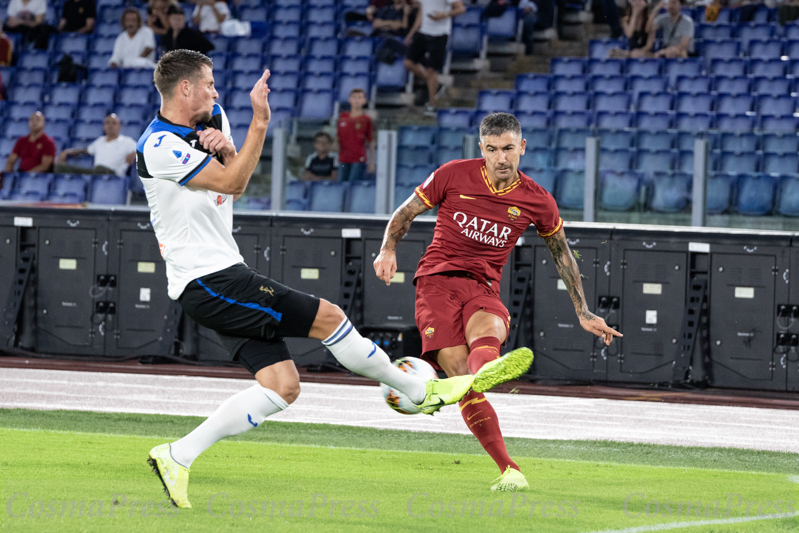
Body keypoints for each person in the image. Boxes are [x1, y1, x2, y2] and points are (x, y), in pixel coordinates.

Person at [141, 50, 519, 509]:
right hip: (208, 279)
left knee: (283, 386)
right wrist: (260, 121)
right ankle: (419, 389)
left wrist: (230, 147)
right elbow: (235, 184)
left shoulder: (213, 116)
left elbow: (233, 167)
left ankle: (176, 456)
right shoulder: (157, 146)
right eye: (208, 84)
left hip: (217, 274)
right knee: (330, 318)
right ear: (184, 89)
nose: (216, 93)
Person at [374, 112, 622, 492]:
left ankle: (484, 369)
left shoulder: (537, 200)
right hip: (436, 283)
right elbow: (405, 212)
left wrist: (583, 310)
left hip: (483, 286)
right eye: (492, 149)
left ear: (522, 147)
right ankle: (510, 468)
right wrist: (387, 249)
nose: (501, 157)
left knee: (488, 331)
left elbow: (562, 253)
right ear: (481, 149)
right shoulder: (452, 174)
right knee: (464, 380)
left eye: (508, 148)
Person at [403, 0, 465, 116]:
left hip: (439, 34)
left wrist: (444, 15)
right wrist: (411, 33)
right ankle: (433, 82)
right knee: (408, 63)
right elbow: (421, 13)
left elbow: (461, 8)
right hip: (423, 31)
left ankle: (432, 104)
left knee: (431, 69)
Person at [55, 113, 136, 176]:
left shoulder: (127, 141)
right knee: (58, 167)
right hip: (95, 173)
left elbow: (145, 150)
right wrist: (67, 152)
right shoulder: (100, 141)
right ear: (104, 126)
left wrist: (136, 153)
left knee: (100, 168)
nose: (110, 125)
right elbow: (85, 151)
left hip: (114, 175)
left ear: (119, 127)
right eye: (107, 123)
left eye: (114, 123)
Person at [336, 88, 373, 182]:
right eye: (354, 97)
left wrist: (372, 162)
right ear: (349, 99)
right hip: (343, 159)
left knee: (353, 184)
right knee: (341, 184)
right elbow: (338, 137)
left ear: (364, 100)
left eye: (360, 97)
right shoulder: (342, 117)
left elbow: (371, 141)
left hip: (358, 159)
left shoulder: (366, 119)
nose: (356, 100)